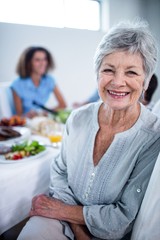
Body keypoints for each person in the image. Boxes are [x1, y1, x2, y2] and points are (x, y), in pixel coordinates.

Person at [18, 20, 160, 240]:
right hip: (61, 217)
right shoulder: (77, 118)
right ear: (97, 74)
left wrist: (64, 211)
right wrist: (77, 227)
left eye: (131, 73)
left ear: (146, 81)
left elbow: (123, 217)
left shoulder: (152, 136)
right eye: (108, 70)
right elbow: (59, 174)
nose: (118, 81)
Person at [11, 46, 67, 118]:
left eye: (44, 59)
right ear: (28, 63)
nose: (42, 63)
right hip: (26, 124)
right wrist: (28, 116)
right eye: (37, 60)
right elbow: (19, 116)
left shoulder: (49, 80)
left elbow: (63, 105)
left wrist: (45, 112)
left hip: (40, 120)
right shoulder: (17, 84)